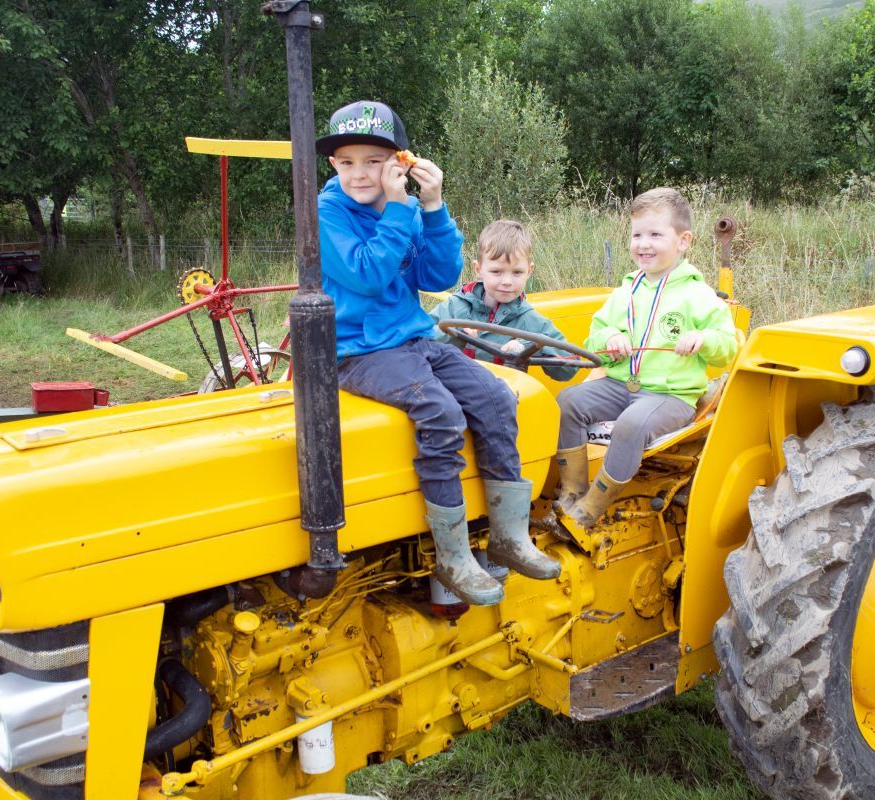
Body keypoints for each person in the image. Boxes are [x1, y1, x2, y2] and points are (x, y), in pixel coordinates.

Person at [316, 100, 560, 606]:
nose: (360, 173)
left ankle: (509, 536)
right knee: (441, 412)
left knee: (495, 397)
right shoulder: (327, 213)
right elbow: (366, 272)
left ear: (399, 162)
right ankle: (451, 553)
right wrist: (402, 208)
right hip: (356, 349)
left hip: (412, 338)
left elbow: (438, 276)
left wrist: (432, 205)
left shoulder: (401, 205)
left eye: (374, 161)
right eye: (347, 162)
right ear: (332, 165)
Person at [554, 187, 737, 529]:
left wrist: (703, 339)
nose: (644, 244)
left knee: (632, 424)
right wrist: (611, 337)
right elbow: (596, 332)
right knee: (568, 401)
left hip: (670, 396)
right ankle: (571, 490)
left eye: (655, 234)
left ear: (683, 241)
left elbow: (729, 345)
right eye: (637, 234)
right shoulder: (627, 289)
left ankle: (593, 505)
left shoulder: (699, 295)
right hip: (621, 383)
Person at [430, 219, 577, 381]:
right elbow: (416, 342)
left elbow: (569, 369)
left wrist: (531, 345)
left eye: (517, 272)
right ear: (478, 269)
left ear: (529, 271)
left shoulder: (532, 322)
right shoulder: (454, 308)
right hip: (448, 390)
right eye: (497, 271)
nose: (507, 281)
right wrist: (452, 334)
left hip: (505, 399)